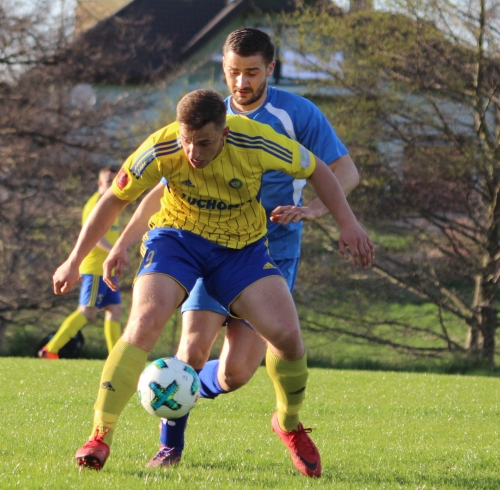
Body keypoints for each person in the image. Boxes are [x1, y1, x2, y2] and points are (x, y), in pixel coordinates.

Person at [52, 89, 373, 477]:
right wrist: (74, 259)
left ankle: (288, 424)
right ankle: (99, 435)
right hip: (176, 238)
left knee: (286, 335)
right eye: (186, 141)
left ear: (224, 134)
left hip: (240, 248)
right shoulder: (161, 146)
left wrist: (348, 223)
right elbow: (114, 200)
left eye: (203, 142)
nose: (192, 152)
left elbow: (320, 169)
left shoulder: (255, 139)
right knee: (145, 321)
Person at [116, 27, 362, 468]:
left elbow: (343, 171)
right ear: (224, 70)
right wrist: (124, 241)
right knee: (191, 348)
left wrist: (313, 211)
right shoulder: (206, 120)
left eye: (251, 72)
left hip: (270, 253)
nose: (242, 83)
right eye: (233, 72)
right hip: (206, 246)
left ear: (270, 68)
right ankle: (170, 444)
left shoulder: (297, 114)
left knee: (235, 374)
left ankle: (260, 412)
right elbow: (166, 189)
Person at [39, 168, 123, 359]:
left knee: (115, 310)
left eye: (114, 180)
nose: (112, 184)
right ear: (100, 184)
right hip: (95, 268)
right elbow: (94, 235)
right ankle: (50, 349)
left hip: (107, 268)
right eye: (108, 181)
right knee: (87, 312)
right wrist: (115, 251)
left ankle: (114, 358)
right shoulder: (96, 204)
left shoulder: (114, 203)